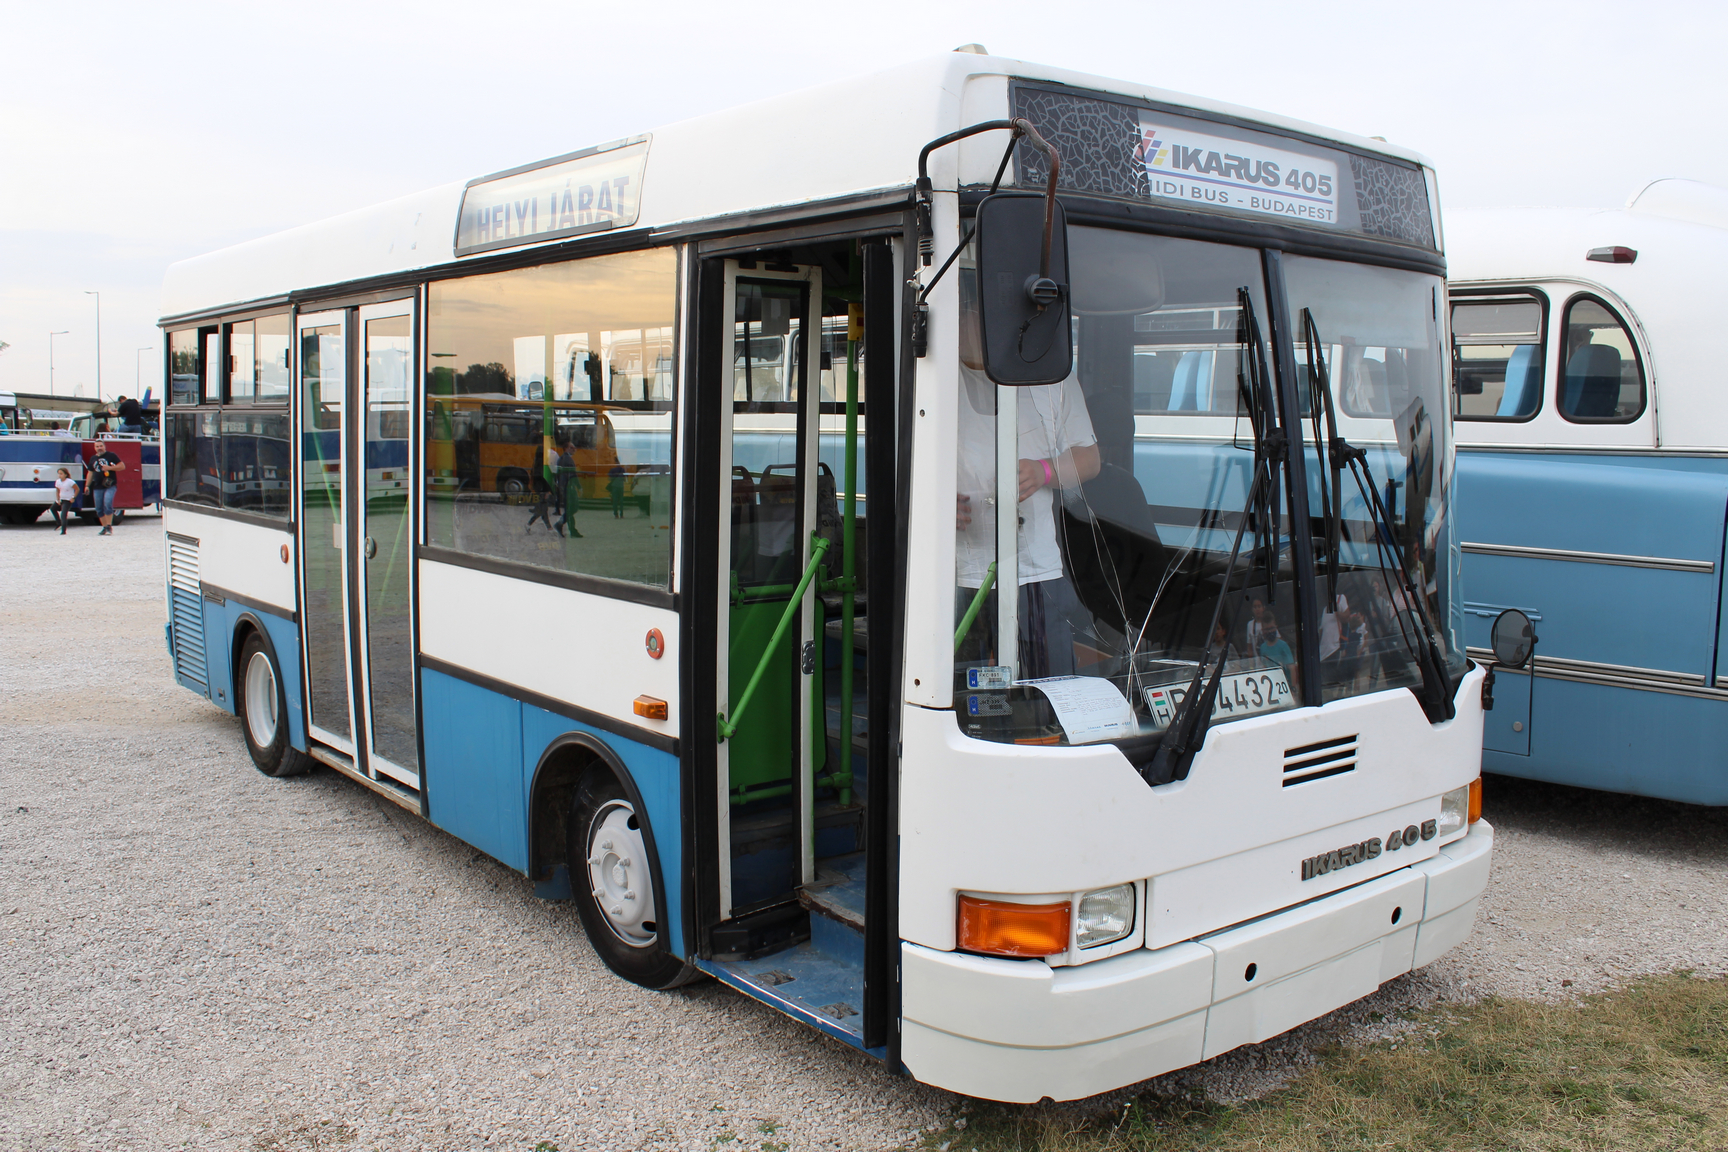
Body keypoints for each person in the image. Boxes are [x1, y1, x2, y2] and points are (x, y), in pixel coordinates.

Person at [954, 274, 1101, 679]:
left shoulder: (1052, 377)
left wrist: (1044, 471)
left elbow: (1089, 459)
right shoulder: (933, 383)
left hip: (1036, 573)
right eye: (963, 312)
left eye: (970, 311)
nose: (964, 321)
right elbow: (900, 471)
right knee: (960, 691)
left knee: (1048, 687)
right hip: (958, 573)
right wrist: (935, 503)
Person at [84, 442, 124, 535]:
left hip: (110, 485)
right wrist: (87, 485)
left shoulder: (111, 455)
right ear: (94, 448)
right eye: (97, 446)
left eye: (101, 446)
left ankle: (109, 526)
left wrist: (109, 468)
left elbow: (122, 466)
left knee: (107, 503)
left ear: (104, 446)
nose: (99, 448)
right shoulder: (93, 458)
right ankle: (104, 527)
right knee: (98, 508)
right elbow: (90, 472)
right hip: (97, 486)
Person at [52, 467, 78, 534]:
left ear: (65, 474)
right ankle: (59, 523)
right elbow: (58, 490)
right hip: (61, 499)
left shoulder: (70, 482)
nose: (59, 475)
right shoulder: (58, 481)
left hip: (67, 500)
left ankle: (63, 530)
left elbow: (77, 489)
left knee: (63, 514)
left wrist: (73, 497)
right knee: (53, 508)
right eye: (59, 474)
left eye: (61, 474)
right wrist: (58, 499)